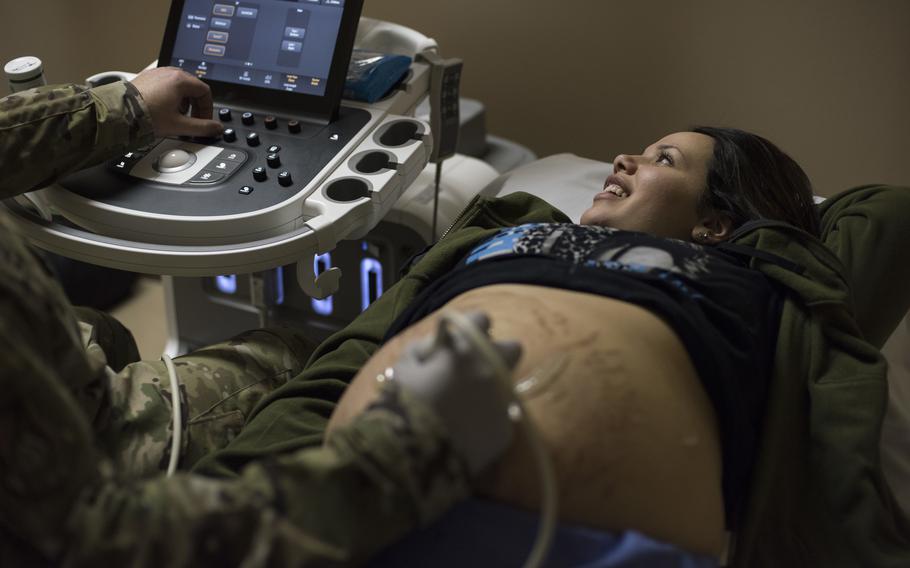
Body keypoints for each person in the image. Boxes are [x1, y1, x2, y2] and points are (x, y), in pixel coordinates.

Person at [0, 65, 908, 567]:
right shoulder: (508, 228)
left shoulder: (750, 278)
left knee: (115, 341)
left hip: (576, 535)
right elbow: (85, 542)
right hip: (333, 517)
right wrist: (409, 444)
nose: (626, 157)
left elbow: (883, 214)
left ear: (719, 220)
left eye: (664, 157)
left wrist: (109, 110)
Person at [0, 67, 522, 566]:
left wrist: (121, 107)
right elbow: (97, 546)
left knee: (106, 334)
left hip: (64, 383)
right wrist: (402, 457)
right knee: (288, 355)